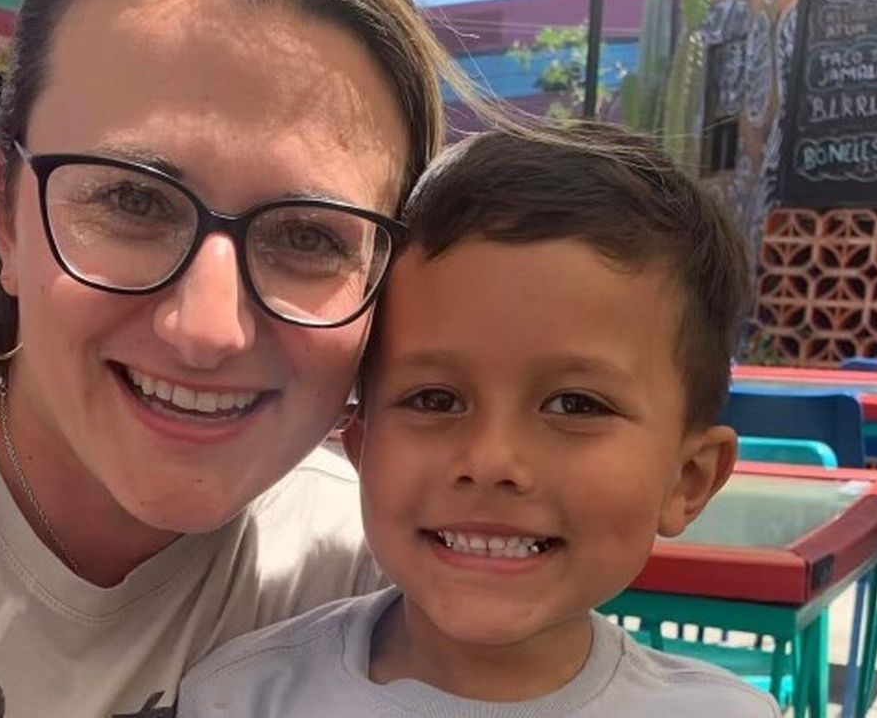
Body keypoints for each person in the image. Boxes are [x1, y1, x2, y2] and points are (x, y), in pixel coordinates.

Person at [0, 0, 514, 714]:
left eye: (307, 237)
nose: (207, 330)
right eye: (133, 200)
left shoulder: (370, 576)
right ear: (6, 216)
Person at [178, 124, 782, 717]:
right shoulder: (240, 699)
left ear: (688, 480)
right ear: (361, 447)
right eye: (435, 400)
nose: (491, 461)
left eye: (575, 405)